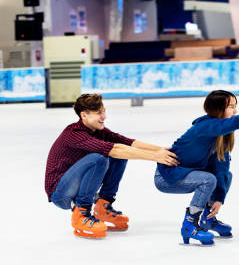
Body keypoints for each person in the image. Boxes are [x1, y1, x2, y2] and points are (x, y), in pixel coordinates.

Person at [45, 93, 178, 238]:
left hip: (74, 185)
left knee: (120, 155)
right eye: (98, 113)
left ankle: (103, 206)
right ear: (84, 115)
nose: (104, 117)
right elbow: (114, 149)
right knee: (99, 158)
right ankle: (81, 212)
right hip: (60, 193)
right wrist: (155, 157)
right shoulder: (74, 133)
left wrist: (162, 150)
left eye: (104, 111)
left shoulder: (98, 130)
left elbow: (128, 142)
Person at [154, 90, 239, 246]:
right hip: (167, 176)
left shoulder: (223, 134)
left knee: (226, 176)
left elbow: (222, 168)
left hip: (187, 173)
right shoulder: (204, 126)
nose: (235, 110)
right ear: (218, 109)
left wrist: (219, 198)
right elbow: (228, 123)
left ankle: (208, 219)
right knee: (208, 179)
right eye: (231, 106)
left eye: (235, 106)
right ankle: (189, 225)